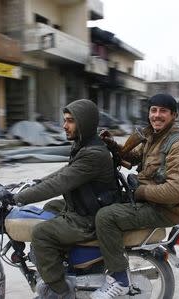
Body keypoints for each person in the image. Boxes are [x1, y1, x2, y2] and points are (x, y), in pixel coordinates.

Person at [91, 93, 179, 299]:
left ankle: (119, 279)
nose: (157, 115)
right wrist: (113, 145)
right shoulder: (152, 137)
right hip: (149, 200)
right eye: (153, 110)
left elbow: (176, 191)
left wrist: (138, 191)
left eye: (163, 111)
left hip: (165, 209)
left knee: (105, 217)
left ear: (174, 115)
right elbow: (131, 157)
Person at [12, 99, 117, 299]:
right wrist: (34, 183)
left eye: (70, 121)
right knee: (51, 207)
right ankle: (66, 262)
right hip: (87, 206)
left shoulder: (93, 153)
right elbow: (63, 173)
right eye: (64, 120)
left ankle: (59, 291)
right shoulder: (85, 145)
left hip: (91, 216)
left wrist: (18, 198)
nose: (64, 126)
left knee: (41, 233)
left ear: (83, 123)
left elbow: (59, 183)